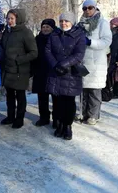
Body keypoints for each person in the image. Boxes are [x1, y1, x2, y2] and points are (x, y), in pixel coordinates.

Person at [46, 12, 86, 140]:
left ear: (72, 22)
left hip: (70, 73)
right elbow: (47, 50)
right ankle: (59, 124)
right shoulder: (54, 34)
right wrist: (55, 65)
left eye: (66, 21)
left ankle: (68, 126)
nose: (64, 23)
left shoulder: (79, 35)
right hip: (56, 72)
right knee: (57, 101)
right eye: (62, 21)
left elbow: (79, 54)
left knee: (68, 101)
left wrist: (63, 64)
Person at [0, 9, 38, 129]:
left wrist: (19, 59)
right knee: (9, 95)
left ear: (18, 19)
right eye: (8, 18)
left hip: (20, 70)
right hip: (8, 68)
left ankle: (19, 118)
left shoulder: (25, 33)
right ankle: (10, 116)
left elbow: (34, 52)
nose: (9, 21)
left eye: (12, 18)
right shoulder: (7, 31)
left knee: (20, 95)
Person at [78, 0, 112, 125]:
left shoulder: (102, 23)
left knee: (94, 90)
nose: (87, 10)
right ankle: (83, 113)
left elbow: (107, 41)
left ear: (95, 8)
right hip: (82, 61)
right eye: (84, 8)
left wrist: (90, 42)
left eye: (90, 7)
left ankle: (93, 115)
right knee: (83, 90)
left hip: (96, 62)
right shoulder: (80, 24)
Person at [32, 19, 58, 127]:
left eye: (48, 27)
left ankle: (57, 118)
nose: (45, 29)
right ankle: (44, 117)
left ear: (52, 28)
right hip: (40, 70)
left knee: (56, 97)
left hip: (53, 71)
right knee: (42, 96)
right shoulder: (37, 39)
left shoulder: (57, 38)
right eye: (43, 27)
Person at [109, 17, 118, 99]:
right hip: (117, 58)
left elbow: (116, 48)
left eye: (111, 24)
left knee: (117, 76)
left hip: (116, 59)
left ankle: (116, 93)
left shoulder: (116, 34)